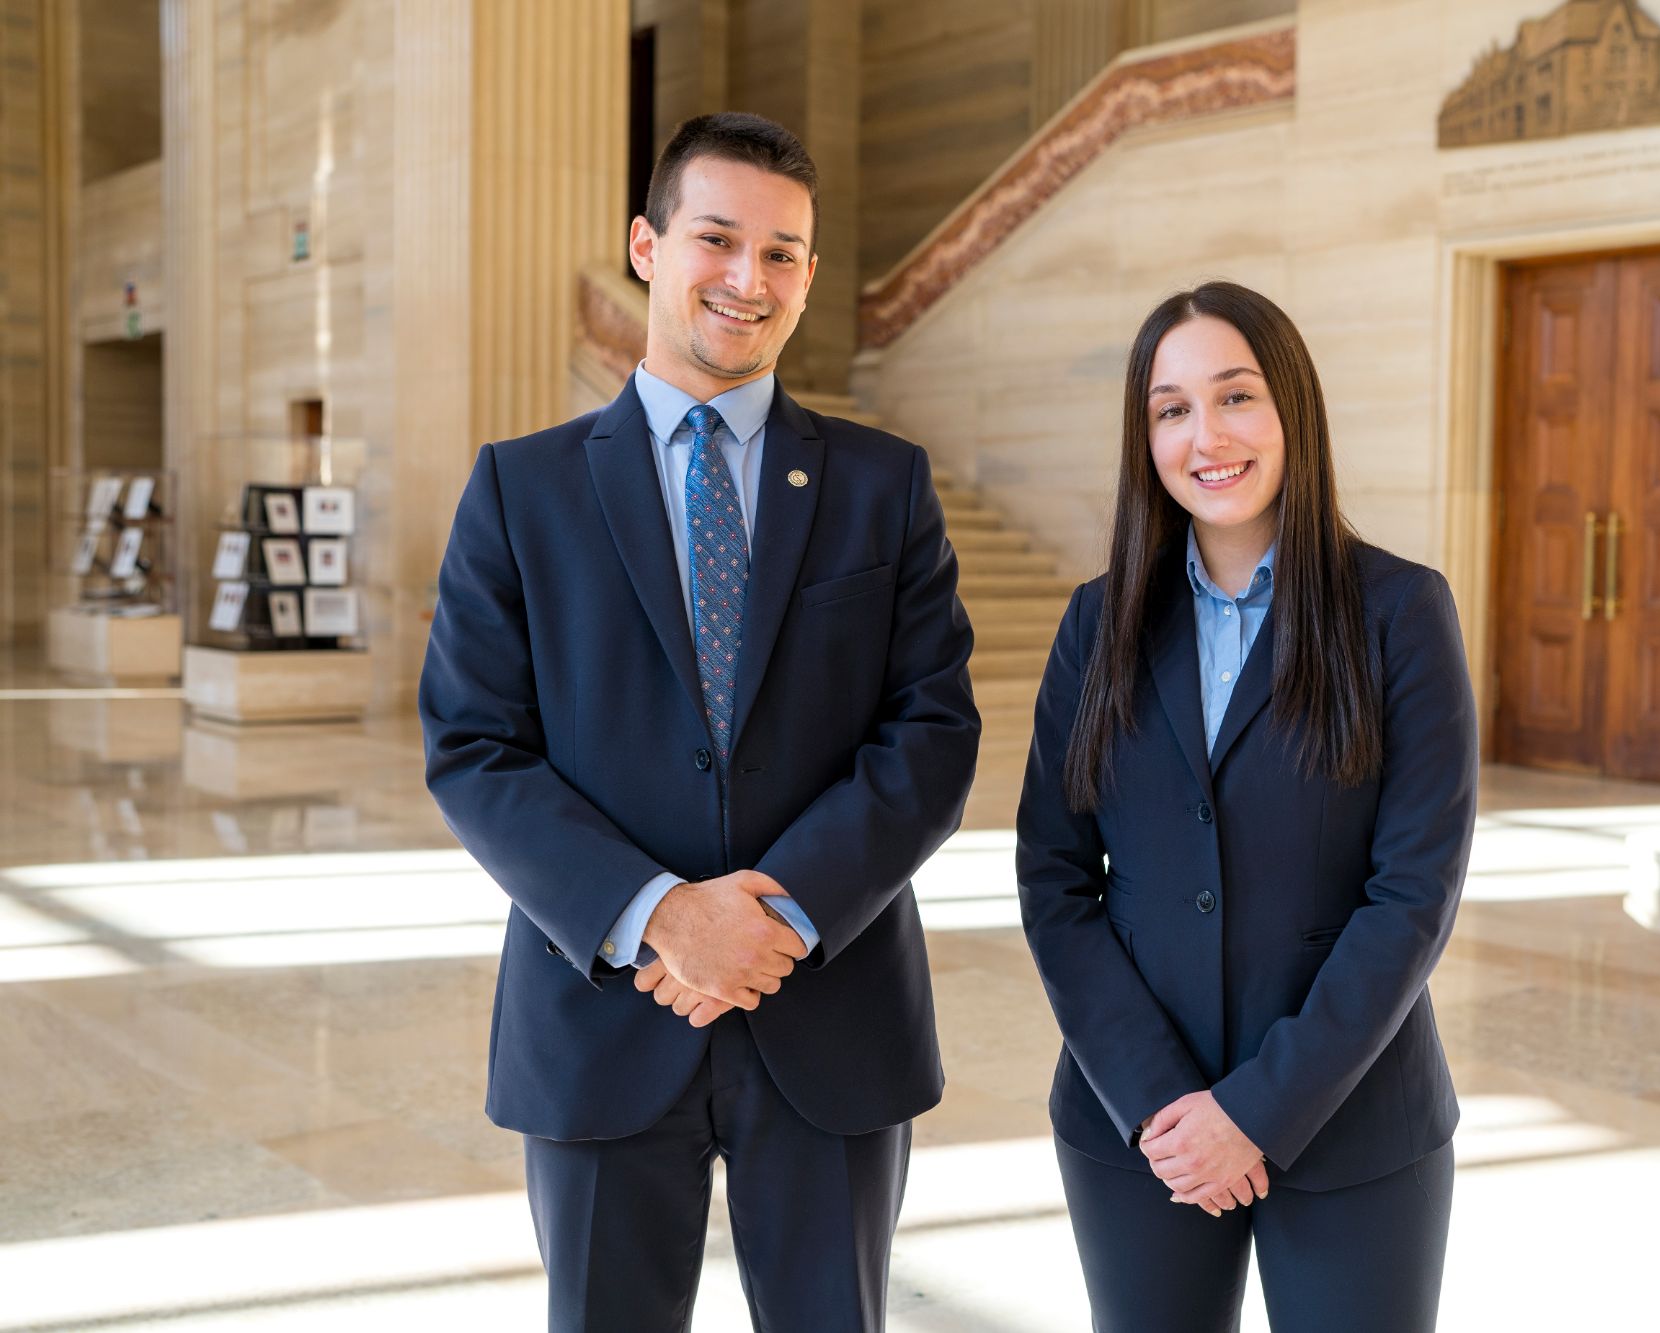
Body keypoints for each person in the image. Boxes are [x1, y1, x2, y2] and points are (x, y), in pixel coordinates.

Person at [419, 111, 979, 1333]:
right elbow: (473, 746)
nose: (748, 278)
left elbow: (930, 731)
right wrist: (663, 918)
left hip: (829, 1019)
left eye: (783, 252)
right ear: (646, 246)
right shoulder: (522, 489)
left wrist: (770, 917)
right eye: (717, 238)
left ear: (811, 276)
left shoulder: (883, 485)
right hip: (604, 1015)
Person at [1015, 281, 1477, 1332]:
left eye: (1234, 397)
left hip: (1353, 1123)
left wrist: (1256, 1114)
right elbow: (1052, 876)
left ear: (1290, 413)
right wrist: (1160, 1106)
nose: (1204, 434)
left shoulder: (1398, 612)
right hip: (1138, 1127)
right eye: (1170, 408)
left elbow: (1411, 894)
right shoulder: (1096, 622)